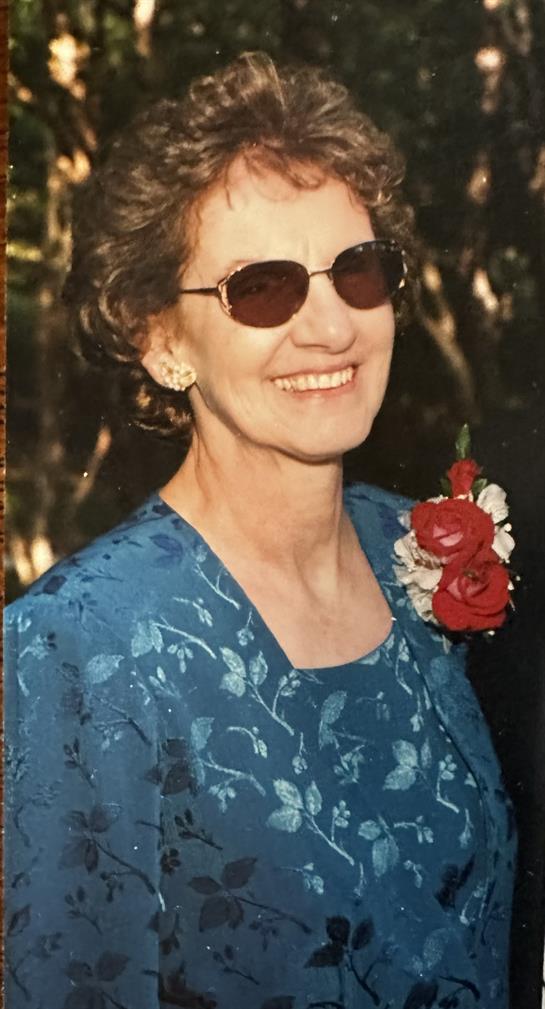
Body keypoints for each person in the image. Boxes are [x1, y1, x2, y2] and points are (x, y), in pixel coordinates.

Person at [4, 51, 516, 1009]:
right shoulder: (76, 648)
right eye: (263, 288)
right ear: (160, 338)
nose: (331, 328)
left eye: (357, 273)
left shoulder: (416, 545)